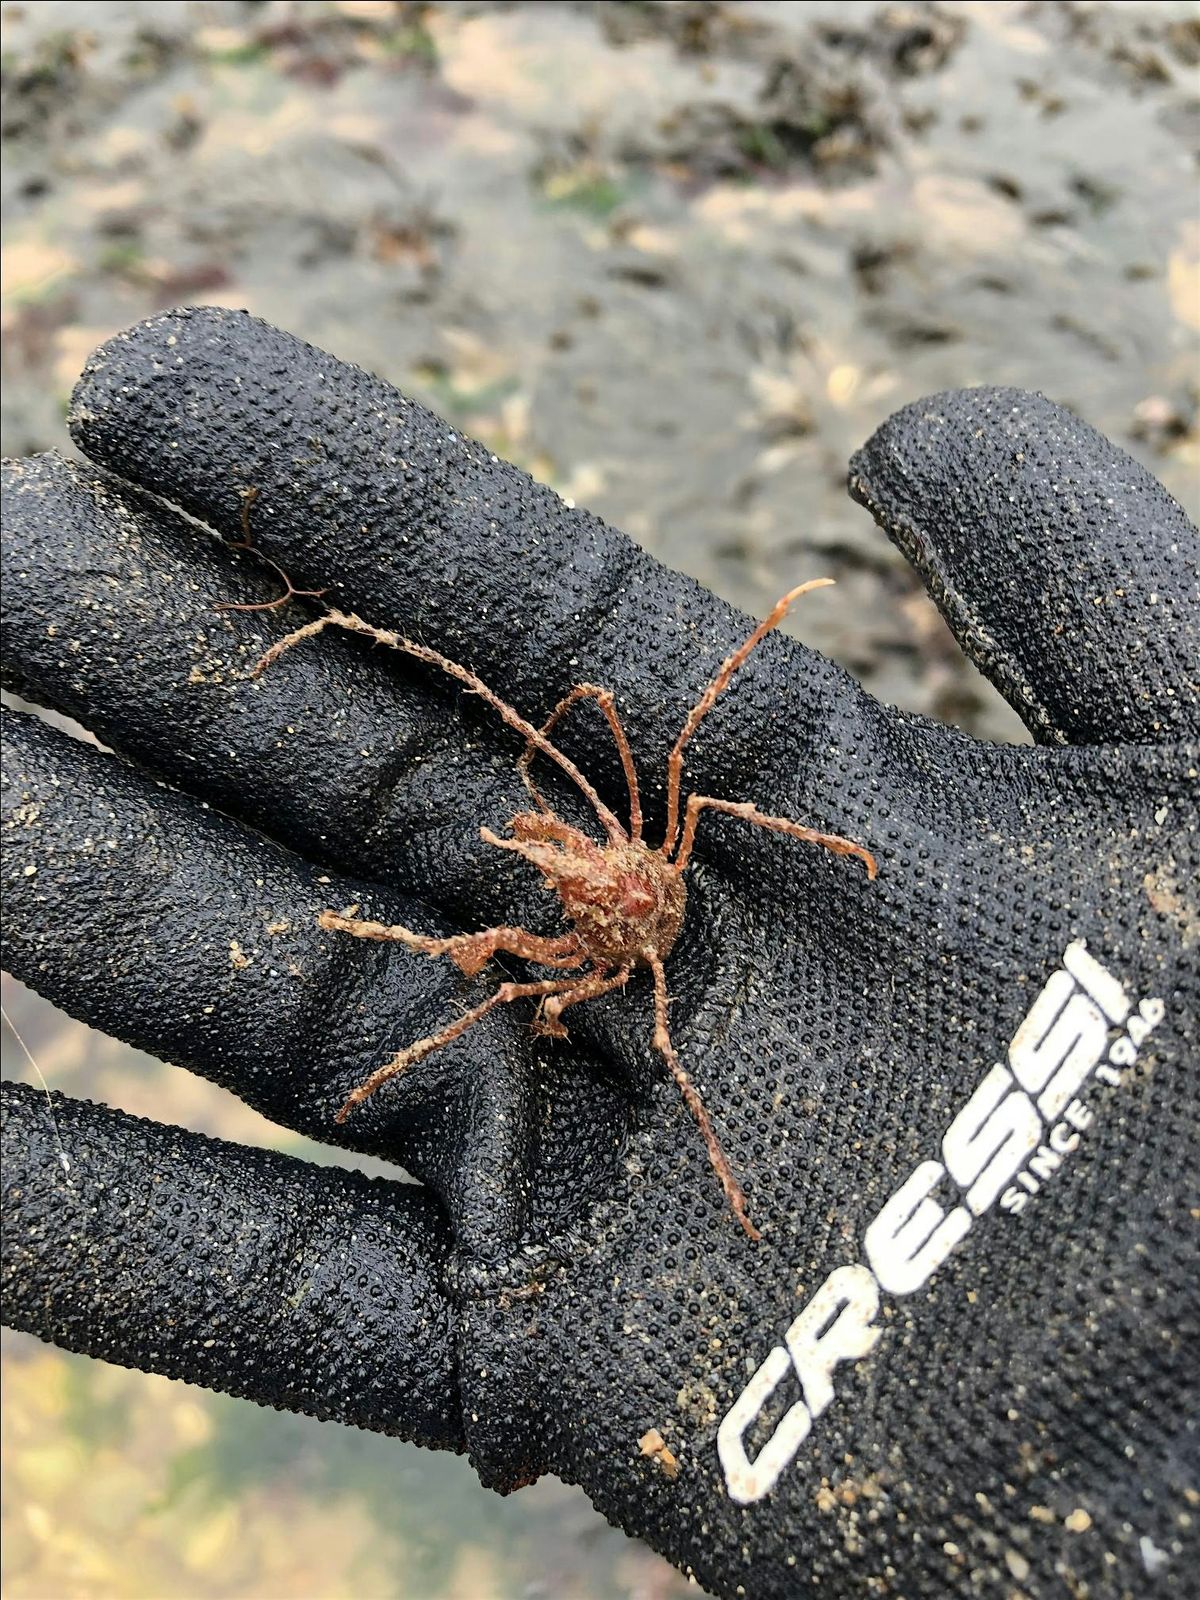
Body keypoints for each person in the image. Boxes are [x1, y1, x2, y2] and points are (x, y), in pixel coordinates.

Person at [2, 308, 1196, 1599]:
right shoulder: (608, 859)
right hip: (631, 918)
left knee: (562, 914)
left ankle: (455, 974)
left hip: (652, 937)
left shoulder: (630, 861)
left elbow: (641, 846)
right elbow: (618, 865)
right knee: (548, 880)